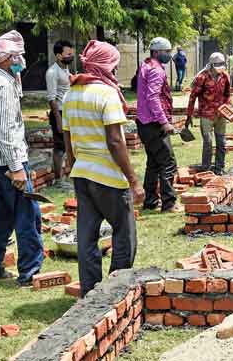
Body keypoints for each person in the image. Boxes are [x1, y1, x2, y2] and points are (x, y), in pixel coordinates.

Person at [62, 40, 143, 297]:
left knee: (86, 237)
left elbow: (68, 137)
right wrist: (133, 180)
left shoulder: (71, 93)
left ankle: (90, 292)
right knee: (124, 233)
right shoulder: (106, 94)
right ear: (105, 65)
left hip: (82, 175)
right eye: (114, 66)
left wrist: (72, 164)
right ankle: (114, 291)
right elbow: (116, 141)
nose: (116, 71)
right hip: (107, 176)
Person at [0, 30, 43, 285]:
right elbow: (5, 131)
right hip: (7, 160)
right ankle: (30, 272)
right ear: (6, 58)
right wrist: (16, 168)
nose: (22, 61)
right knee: (27, 215)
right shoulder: (2, 86)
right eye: (18, 57)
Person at [136, 37, 179, 212]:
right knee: (168, 162)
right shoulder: (156, 71)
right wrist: (164, 122)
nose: (169, 55)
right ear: (156, 52)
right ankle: (169, 203)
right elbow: (153, 98)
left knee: (153, 163)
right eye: (166, 52)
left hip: (144, 123)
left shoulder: (146, 65)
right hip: (154, 124)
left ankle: (150, 201)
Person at [185, 52, 232, 174]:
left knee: (221, 142)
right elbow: (193, 96)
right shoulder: (202, 78)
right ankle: (206, 167)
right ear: (211, 65)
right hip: (206, 114)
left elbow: (227, 94)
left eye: (222, 64)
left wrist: (227, 107)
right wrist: (189, 115)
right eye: (218, 64)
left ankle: (219, 167)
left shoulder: (225, 76)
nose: (221, 66)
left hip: (221, 115)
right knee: (208, 142)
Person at [46, 40, 75, 190]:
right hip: (59, 112)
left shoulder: (66, 69)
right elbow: (51, 99)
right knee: (59, 147)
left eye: (72, 53)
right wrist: (58, 120)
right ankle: (58, 180)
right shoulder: (52, 72)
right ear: (58, 56)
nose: (71, 56)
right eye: (68, 54)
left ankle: (68, 176)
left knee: (69, 145)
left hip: (68, 111)